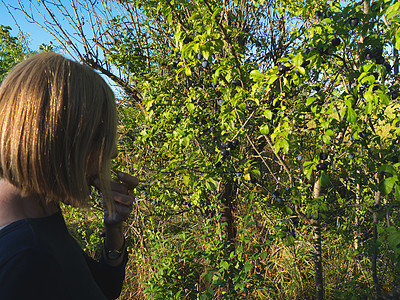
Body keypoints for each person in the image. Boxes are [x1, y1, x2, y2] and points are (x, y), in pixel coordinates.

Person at [0, 52, 138, 300]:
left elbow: (102, 289)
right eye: (98, 137)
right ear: (57, 141)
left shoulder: (40, 210)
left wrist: (113, 230)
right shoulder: (27, 256)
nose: (114, 152)